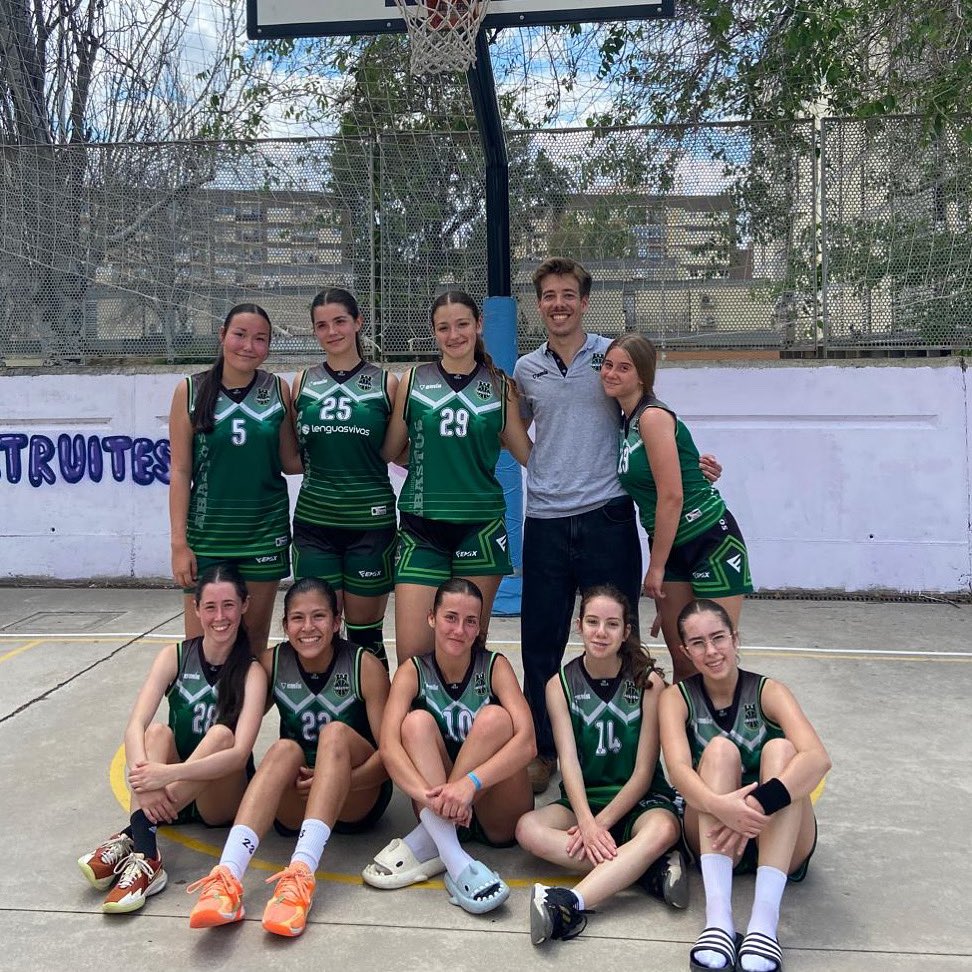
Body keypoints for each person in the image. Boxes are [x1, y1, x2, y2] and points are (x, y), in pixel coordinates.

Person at [513, 257, 721, 793]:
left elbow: (649, 413)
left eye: (568, 295)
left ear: (584, 302)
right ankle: (545, 751)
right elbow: (515, 432)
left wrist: (689, 458)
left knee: (618, 638)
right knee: (541, 641)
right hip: (547, 521)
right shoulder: (526, 369)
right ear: (539, 305)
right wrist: (540, 461)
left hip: (607, 516)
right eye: (548, 296)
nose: (558, 304)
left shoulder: (610, 356)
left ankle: (632, 748)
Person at [186, 577, 390, 937]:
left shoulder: (364, 665)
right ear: (285, 625)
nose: (308, 628)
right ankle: (227, 878)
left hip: (358, 795)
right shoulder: (272, 663)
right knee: (282, 748)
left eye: (319, 617)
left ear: (337, 621)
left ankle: (301, 876)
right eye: (297, 618)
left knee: (335, 733)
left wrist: (336, 780)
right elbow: (234, 729)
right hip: (297, 797)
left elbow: (390, 757)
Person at [77, 564, 267, 913]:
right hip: (168, 797)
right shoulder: (175, 656)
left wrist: (165, 776)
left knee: (222, 735)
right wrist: (145, 783)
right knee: (156, 732)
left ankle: (136, 834)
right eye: (210, 607)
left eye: (228, 605)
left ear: (244, 605)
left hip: (219, 798)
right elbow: (135, 725)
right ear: (196, 609)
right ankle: (147, 856)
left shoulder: (252, 672)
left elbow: (239, 754)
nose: (219, 616)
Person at [659, 599, 830, 972]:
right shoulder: (677, 698)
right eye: (698, 643)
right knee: (718, 751)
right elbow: (678, 771)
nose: (711, 651)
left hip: (778, 834)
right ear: (685, 651)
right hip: (718, 836)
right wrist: (722, 807)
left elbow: (818, 758)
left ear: (735, 638)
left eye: (718, 638)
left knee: (783, 750)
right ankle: (718, 920)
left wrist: (756, 805)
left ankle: (763, 925)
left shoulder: (770, 690)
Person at [516, 585, 685, 945]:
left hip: (639, 801)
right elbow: (570, 764)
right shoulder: (559, 685)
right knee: (527, 829)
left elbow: (643, 772)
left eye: (611, 624)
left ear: (626, 631)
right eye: (592, 622)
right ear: (579, 625)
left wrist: (600, 826)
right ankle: (642, 867)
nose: (600, 632)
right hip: (585, 799)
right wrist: (587, 821)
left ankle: (569, 902)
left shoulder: (649, 682)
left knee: (664, 830)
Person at [361, 578, 535, 915]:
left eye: (471, 621)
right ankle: (454, 859)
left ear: (480, 625)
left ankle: (432, 840)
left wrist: (468, 785)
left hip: (497, 811)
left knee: (496, 719)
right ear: (431, 618)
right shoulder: (412, 671)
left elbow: (527, 744)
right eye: (450, 617)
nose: (460, 629)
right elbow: (388, 745)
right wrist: (432, 798)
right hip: (438, 805)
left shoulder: (495, 665)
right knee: (414, 723)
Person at [382, 291, 532, 663]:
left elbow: (527, 454)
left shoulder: (501, 387)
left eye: (462, 324)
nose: (454, 335)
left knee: (468, 652)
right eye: (444, 327)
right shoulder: (413, 380)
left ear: (478, 325)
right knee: (413, 658)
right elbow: (391, 450)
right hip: (422, 526)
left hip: (480, 527)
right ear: (434, 332)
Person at [601, 332, 753, 682]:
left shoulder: (652, 417)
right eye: (608, 365)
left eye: (624, 368)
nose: (611, 373)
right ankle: (686, 737)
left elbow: (672, 496)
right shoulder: (624, 422)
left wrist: (654, 568)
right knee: (684, 662)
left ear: (642, 376)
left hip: (708, 538)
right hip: (669, 545)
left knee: (715, 660)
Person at [168, 303, 300, 654]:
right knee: (201, 649)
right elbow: (180, 472)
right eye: (240, 335)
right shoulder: (191, 391)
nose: (248, 346)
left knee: (252, 647)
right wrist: (179, 544)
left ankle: (244, 712)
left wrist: (346, 444)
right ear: (222, 335)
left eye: (260, 339)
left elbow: (291, 461)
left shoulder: (278, 390)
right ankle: (206, 712)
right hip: (208, 538)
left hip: (263, 536)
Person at [291, 288, 399, 668]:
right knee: (319, 634)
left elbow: (398, 452)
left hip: (370, 525)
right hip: (314, 524)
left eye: (339, 321)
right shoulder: (301, 383)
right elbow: (291, 457)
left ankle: (375, 725)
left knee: (365, 634)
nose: (332, 331)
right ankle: (323, 721)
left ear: (358, 323)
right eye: (322, 325)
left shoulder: (388, 384)